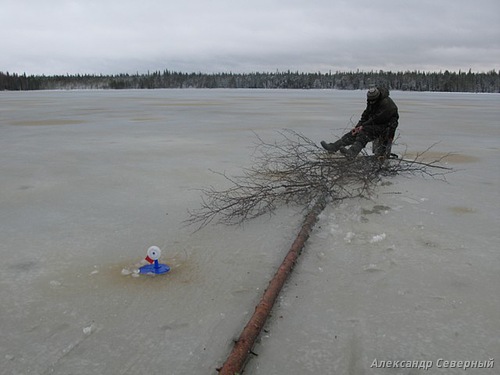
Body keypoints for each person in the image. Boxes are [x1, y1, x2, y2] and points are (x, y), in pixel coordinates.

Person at [321, 87, 399, 159]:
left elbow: (377, 118)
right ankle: (334, 147)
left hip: (387, 127)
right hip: (375, 123)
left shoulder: (387, 104)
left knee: (364, 132)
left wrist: (363, 126)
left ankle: (352, 152)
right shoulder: (372, 102)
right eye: (370, 101)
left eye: (373, 101)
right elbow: (366, 115)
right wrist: (357, 127)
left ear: (377, 97)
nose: (371, 102)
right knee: (354, 133)